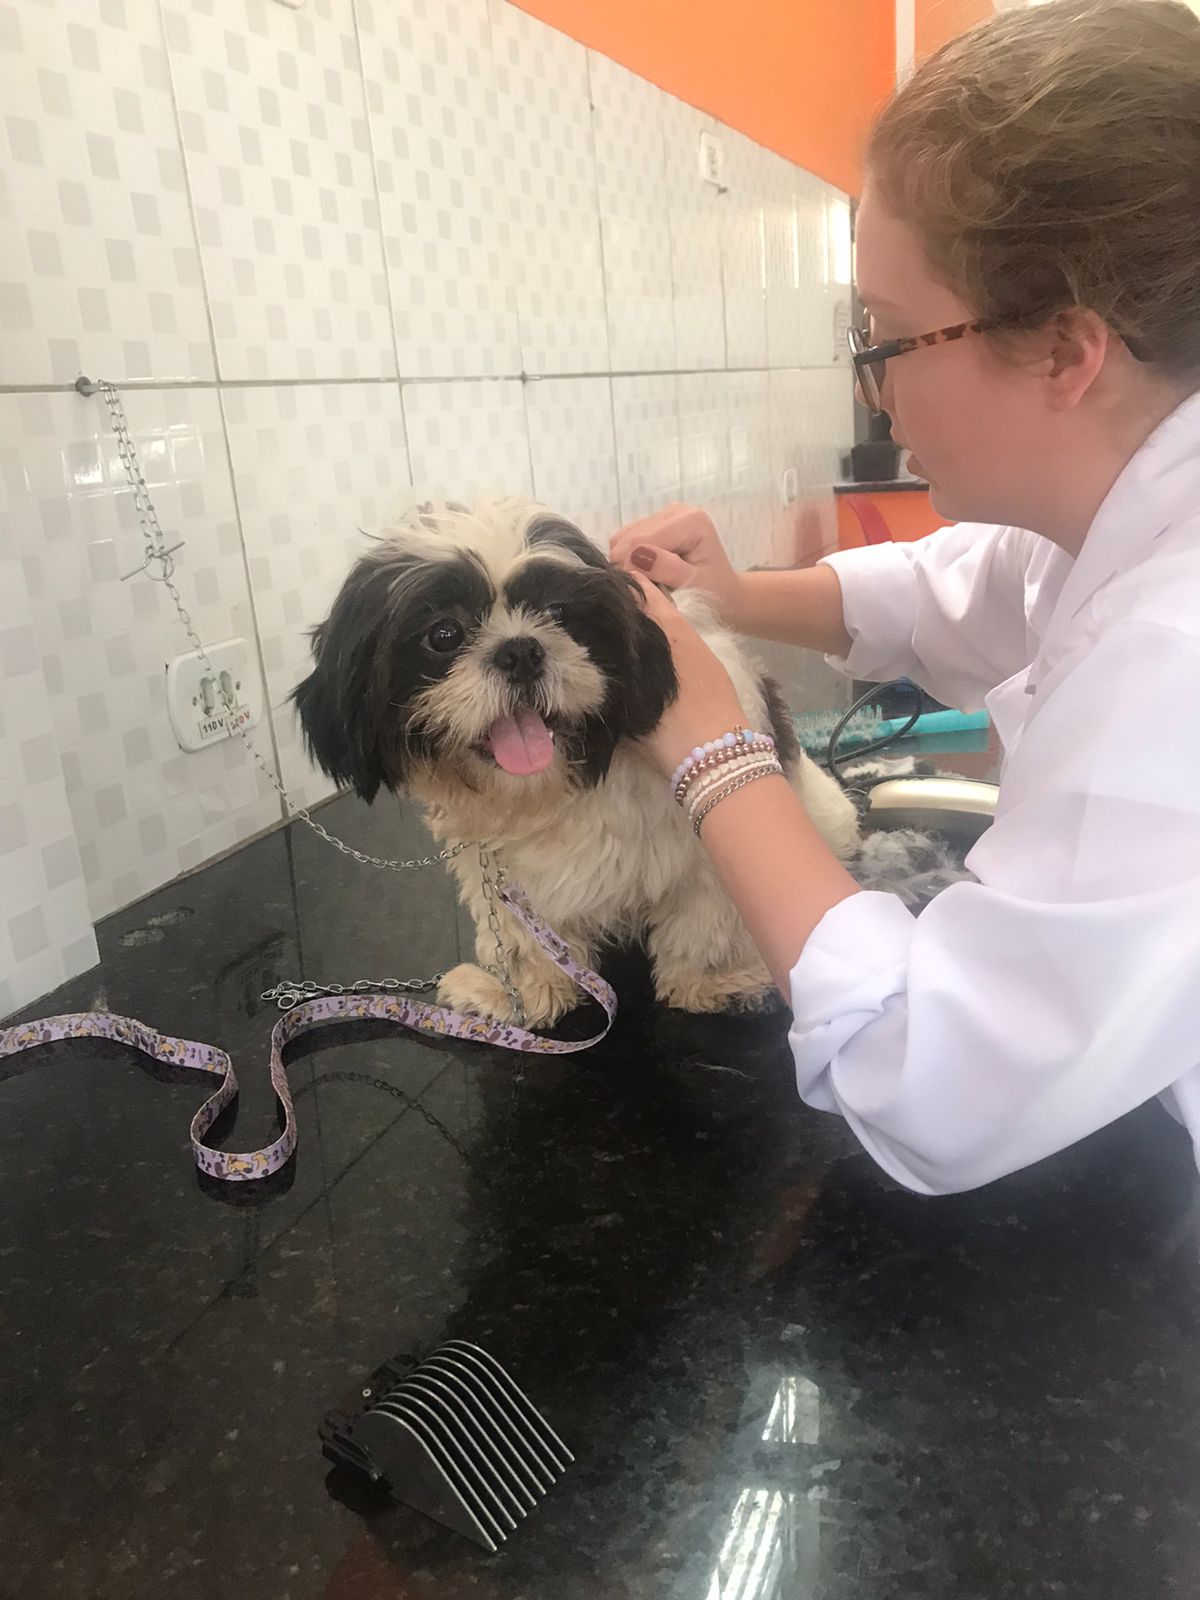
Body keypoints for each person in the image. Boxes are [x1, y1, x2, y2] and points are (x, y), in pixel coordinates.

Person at [609, 0, 1200, 1196]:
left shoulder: (1175, 650)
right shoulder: (1125, 516)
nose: (877, 394)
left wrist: (717, 749)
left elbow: (929, 1072)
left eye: (888, 340)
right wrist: (732, 595)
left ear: (1066, 350)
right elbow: (952, 590)